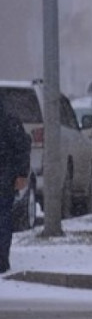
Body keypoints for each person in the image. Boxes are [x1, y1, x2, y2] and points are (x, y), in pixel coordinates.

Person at [0, 98, 31, 273]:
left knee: (3, 218)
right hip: (5, 176)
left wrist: (20, 174)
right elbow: (23, 147)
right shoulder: (10, 121)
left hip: (4, 178)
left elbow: (21, 147)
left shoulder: (8, 121)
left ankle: (2, 259)